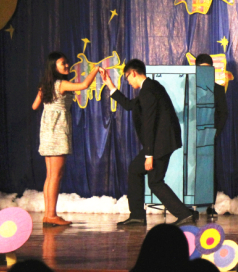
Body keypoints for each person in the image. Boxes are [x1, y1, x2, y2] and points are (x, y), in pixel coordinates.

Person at [113, 59, 197, 228]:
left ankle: (183, 214)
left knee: (154, 180)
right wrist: (110, 85)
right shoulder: (150, 87)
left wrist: (149, 155)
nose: (128, 81)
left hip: (161, 143)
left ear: (133, 73)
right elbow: (129, 105)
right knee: (142, 174)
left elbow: (149, 124)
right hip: (162, 142)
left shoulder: (148, 91)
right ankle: (139, 215)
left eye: (127, 77)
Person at [32, 49, 101, 228]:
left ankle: (48, 215)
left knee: (50, 175)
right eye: (63, 63)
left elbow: (34, 106)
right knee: (56, 175)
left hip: (47, 131)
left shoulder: (45, 85)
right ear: (53, 66)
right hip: (58, 131)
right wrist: (95, 69)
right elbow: (84, 85)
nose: (67, 65)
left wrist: (46, 101)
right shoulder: (61, 84)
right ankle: (51, 215)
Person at [194, 53, 229, 223]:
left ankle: (209, 205)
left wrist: (215, 131)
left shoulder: (218, 89)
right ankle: (190, 205)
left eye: (208, 70)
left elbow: (223, 113)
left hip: (208, 136)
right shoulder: (189, 88)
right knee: (191, 170)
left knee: (209, 170)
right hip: (191, 136)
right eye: (202, 70)